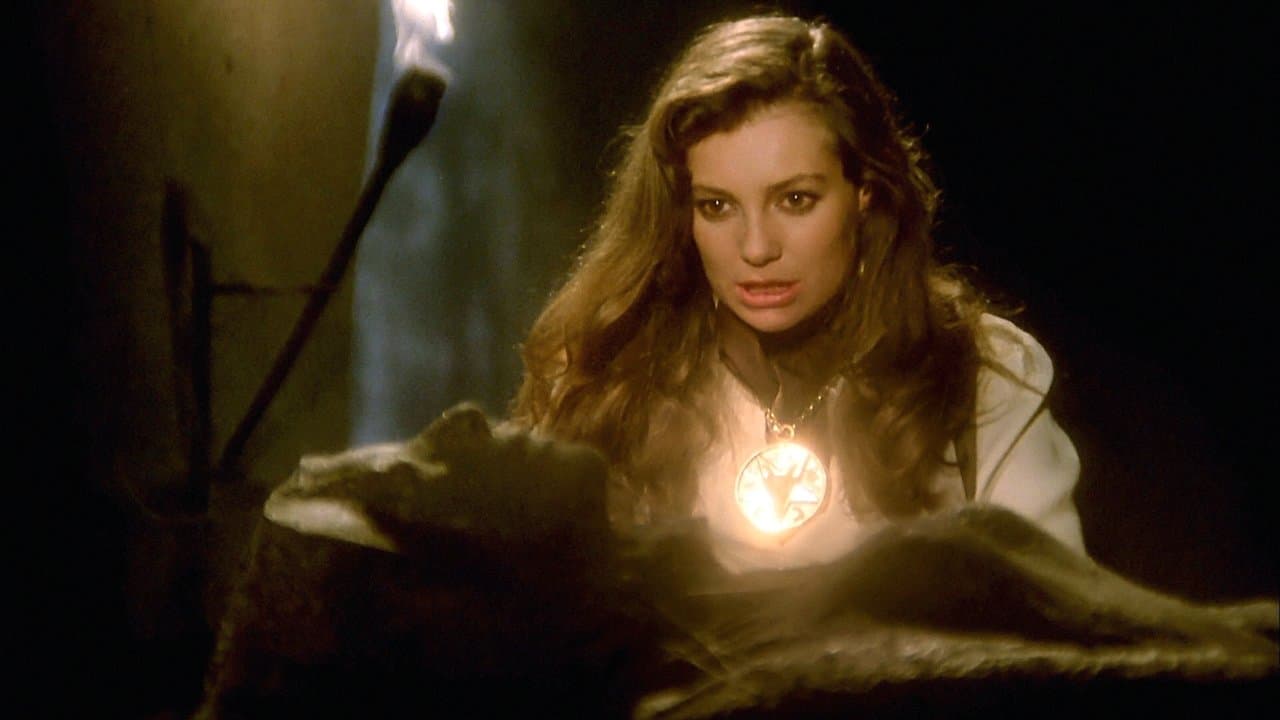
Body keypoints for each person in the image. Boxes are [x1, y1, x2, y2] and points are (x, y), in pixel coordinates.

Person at [511, 14, 1084, 573]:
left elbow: (1061, 619)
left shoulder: (975, 374)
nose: (756, 247)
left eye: (795, 200)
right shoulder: (607, 380)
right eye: (718, 206)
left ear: (865, 192)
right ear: (682, 214)